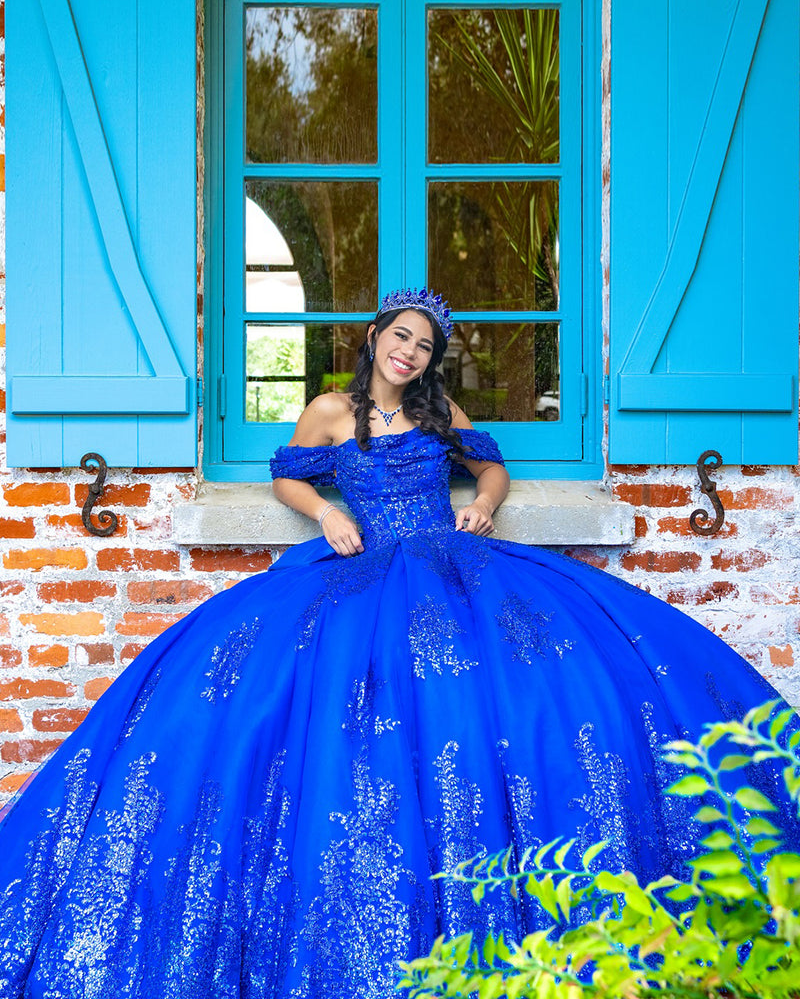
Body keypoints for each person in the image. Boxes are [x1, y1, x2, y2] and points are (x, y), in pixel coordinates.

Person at [0, 287, 796, 999]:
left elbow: (492, 470)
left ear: (430, 361)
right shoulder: (328, 411)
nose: (408, 352)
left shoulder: (438, 416)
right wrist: (326, 513)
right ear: (375, 334)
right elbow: (288, 476)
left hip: (449, 566)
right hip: (355, 567)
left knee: (505, 697)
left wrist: (481, 507)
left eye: (423, 346)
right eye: (400, 336)